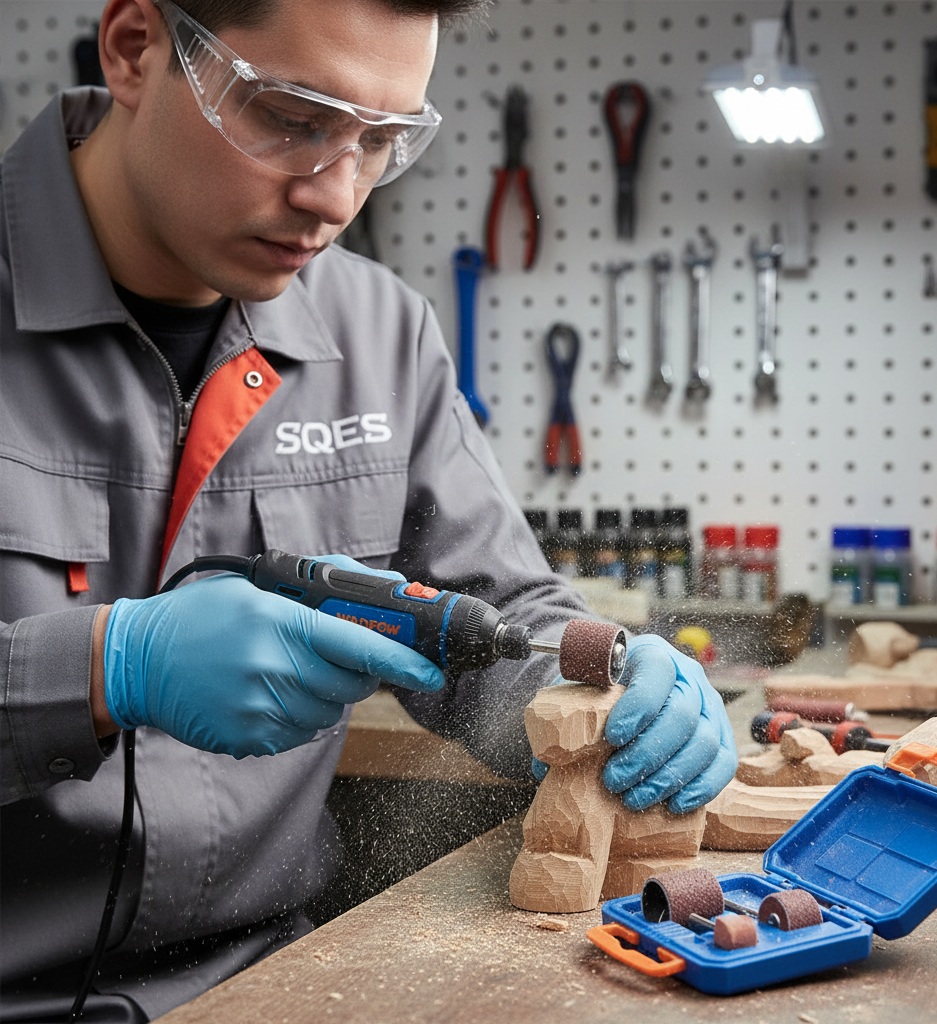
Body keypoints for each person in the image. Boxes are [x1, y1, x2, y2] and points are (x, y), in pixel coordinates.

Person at [0, 0, 737, 1018]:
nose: (334, 195)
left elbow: (497, 621)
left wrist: (606, 691)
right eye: (292, 119)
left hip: (278, 985)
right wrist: (94, 670)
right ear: (136, 49)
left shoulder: (379, 331)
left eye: (379, 142)